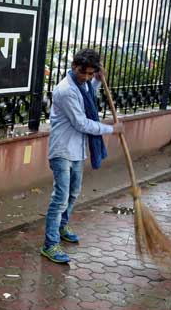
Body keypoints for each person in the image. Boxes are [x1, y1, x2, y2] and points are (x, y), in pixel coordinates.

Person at [41, 49, 124, 264]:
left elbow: (88, 97)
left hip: (77, 149)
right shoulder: (65, 90)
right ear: (74, 66)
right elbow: (81, 123)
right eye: (83, 72)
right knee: (60, 198)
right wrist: (111, 129)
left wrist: (97, 81)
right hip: (62, 150)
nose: (86, 77)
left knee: (73, 193)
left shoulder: (83, 84)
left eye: (90, 73)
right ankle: (50, 244)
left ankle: (62, 226)